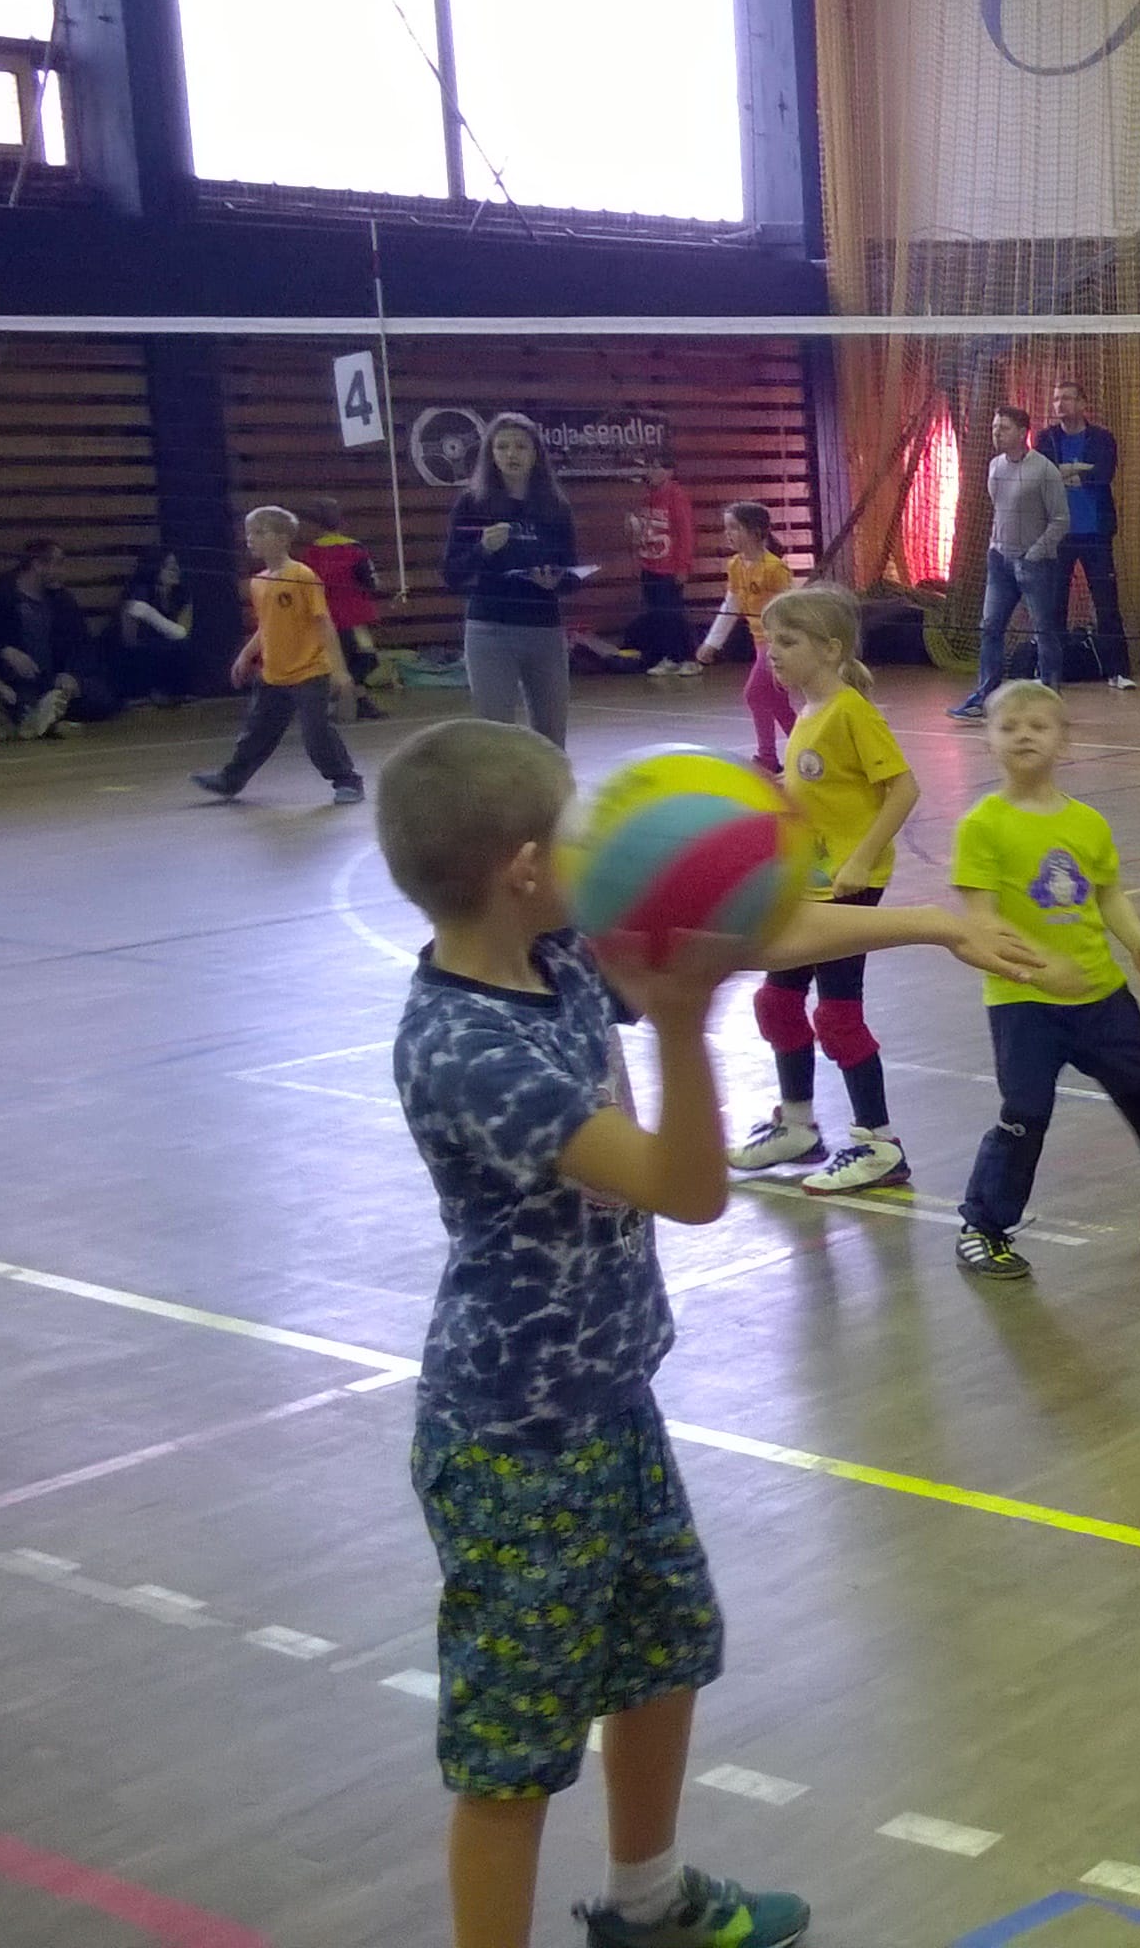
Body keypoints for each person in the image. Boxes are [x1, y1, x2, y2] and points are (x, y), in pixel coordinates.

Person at [372, 717, 1031, 1948]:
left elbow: (753, 931)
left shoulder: (555, 954)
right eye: (576, 830)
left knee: (663, 1655)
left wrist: (931, 924)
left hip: (613, 1401)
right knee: (515, 1750)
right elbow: (684, 1188)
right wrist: (681, 1024)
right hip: (516, 1442)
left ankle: (650, 1902)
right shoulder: (469, 1048)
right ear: (526, 867)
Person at [946, 681, 1140, 1280]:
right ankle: (983, 1226)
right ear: (988, 741)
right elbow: (981, 921)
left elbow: (1107, 894)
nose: (1024, 736)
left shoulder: (1088, 823)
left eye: (1038, 726)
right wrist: (1041, 968)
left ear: (1064, 742)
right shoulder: (982, 826)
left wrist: (1139, 944)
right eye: (1008, 726)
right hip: (1023, 1001)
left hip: (1100, 995)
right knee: (1025, 1111)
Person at [725, 585, 923, 1196]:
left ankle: (879, 1145)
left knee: (837, 1015)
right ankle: (798, 1125)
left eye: (787, 641)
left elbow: (904, 789)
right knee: (777, 1003)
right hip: (807, 884)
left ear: (831, 649)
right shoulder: (807, 711)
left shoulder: (850, 711)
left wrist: (860, 860)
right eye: (770, 640)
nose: (773, 652)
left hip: (848, 886)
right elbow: (815, 789)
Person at [189, 503, 362, 804]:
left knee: (316, 733)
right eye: (249, 533)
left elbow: (323, 622)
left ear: (283, 539)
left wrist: (339, 670)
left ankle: (347, 781)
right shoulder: (259, 582)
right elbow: (266, 626)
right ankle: (231, 780)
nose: (251, 539)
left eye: (260, 532)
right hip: (274, 674)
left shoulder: (302, 576)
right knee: (257, 732)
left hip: (309, 671)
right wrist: (246, 654)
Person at [445, 415, 581, 746]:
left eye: (521, 446)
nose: (511, 454)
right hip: (490, 629)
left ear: (535, 454)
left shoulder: (555, 507)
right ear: (490, 454)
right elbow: (452, 573)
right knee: (496, 736)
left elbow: (573, 574)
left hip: (544, 630)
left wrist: (556, 581)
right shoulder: (472, 503)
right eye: (502, 447)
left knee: (551, 736)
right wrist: (483, 549)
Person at [948, 404, 1066, 723]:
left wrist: (1034, 553)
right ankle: (985, 696)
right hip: (999, 560)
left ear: (1023, 432)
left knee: (1044, 630)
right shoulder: (995, 466)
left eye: (1004, 428)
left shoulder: (1044, 470)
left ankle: (1051, 696)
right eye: (994, 427)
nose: (997, 433)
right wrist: (995, 546)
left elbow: (1060, 520)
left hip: (1035, 564)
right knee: (990, 627)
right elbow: (999, 510)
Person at [1033, 383, 1134, 690]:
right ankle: (1051, 671)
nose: (1059, 404)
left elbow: (1102, 475)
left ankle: (1118, 671)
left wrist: (1066, 473)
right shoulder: (1046, 438)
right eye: (1056, 399)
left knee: (1106, 603)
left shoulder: (1101, 438)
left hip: (1095, 534)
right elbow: (1043, 475)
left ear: (1082, 403)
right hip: (1058, 534)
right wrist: (1077, 470)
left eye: (1066, 398)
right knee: (1054, 605)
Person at [0, 536, 106, 737]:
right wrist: (4, 651)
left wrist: (72, 675)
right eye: (58, 564)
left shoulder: (62, 601)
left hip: (51, 679)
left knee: (100, 696)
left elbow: (81, 643)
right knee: (12, 697)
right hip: (10, 679)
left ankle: (45, 713)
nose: (62, 572)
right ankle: (43, 717)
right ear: (37, 564)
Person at [694, 503, 797, 775]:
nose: (728, 534)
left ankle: (767, 758)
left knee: (754, 694)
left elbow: (789, 609)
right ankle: (811, 750)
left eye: (734, 528)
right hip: (759, 642)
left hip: (777, 643)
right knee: (777, 702)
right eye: (726, 528)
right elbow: (732, 604)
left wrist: (787, 645)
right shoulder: (736, 565)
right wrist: (712, 643)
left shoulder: (775, 569)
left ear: (756, 532)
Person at [302, 503, 393, 718]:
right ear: (342, 521)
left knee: (342, 659)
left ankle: (355, 700)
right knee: (366, 658)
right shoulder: (355, 550)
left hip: (325, 616)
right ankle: (343, 697)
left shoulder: (310, 554)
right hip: (353, 617)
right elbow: (370, 582)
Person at [628, 457, 698, 679]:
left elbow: (685, 534)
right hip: (649, 564)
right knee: (657, 614)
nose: (650, 471)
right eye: (648, 467)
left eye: (656, 467)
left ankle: (686, 658)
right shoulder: (647, 496)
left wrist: (683, 566)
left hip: (669, 568)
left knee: (672, 614)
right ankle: (669, 657)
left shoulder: (677, 496)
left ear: (669, 471)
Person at [112, 543, 198, 707]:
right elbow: (128, 641)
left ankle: (172, 692)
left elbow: (182, 633)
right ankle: (145, 693)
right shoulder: (138, 593)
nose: (175, 570)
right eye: (168, 566)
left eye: (176, 565)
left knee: (182, 647)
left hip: (168, 652)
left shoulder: (182, 595)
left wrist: (148, 613)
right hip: (138, 656)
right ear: (154, 568)